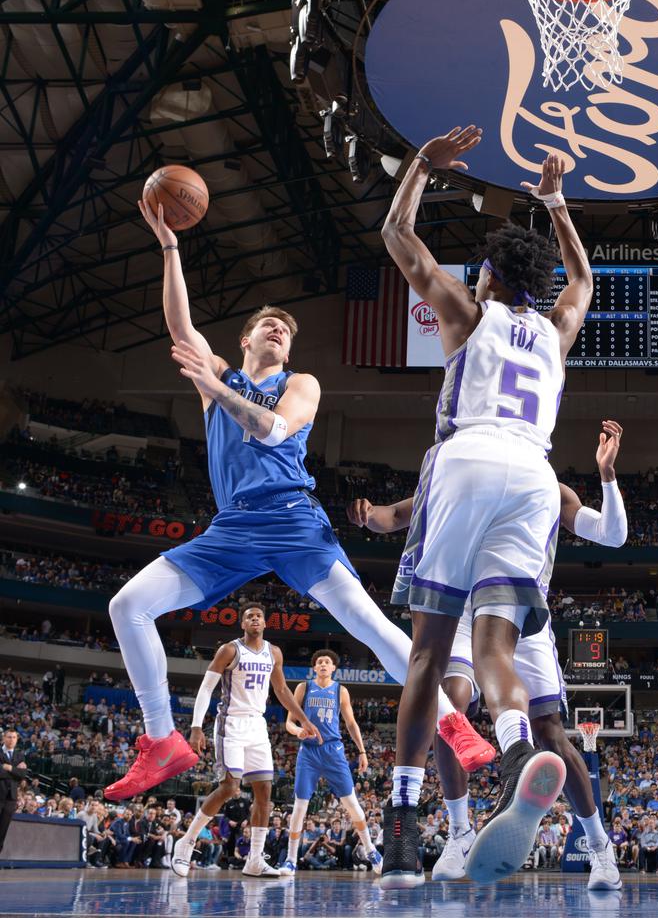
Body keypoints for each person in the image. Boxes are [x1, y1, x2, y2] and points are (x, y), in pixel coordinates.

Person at [103, 200, 492, 801]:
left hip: (293, 522)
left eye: (286, 329)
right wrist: (170, 246)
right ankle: (161, 742)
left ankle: (455, 725)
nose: (280, 331)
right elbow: (182, 330)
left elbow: (274, 431)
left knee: (368, 624)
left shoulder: (298, 384)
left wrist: (213, 389)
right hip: (233, 528)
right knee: (127, 606)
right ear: (245, 339)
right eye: (269, 325)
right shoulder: (220, 381)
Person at [379, 127, 593, 887]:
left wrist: (420, 168)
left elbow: (396, 234)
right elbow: (584, 282)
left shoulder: (469, 317)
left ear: (491, 277)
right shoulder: (556, 334)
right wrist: (557, 202)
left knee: (431, 656)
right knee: (497, 647)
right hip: (535, 478)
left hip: (468, 461)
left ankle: (402, 833)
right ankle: (513, 752)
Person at [347, 420, 626, 891]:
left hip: (518, 607)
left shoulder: (541, 484)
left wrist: (607, 476)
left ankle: (599, 847)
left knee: (552, 735)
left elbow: (611, 534)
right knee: (449, 702)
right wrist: (366, 513)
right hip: (459, 613)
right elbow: (394, 517)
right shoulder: (453, 481)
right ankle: (460, 832)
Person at [171, 604, 320, 879]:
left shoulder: (273, 652)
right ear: (243, 624)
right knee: (230, 788)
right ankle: (186, 843)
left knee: (265, 793)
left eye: (259, 616)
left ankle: (254, 860)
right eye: (249, 616)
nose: (255, 619)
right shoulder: (230, 650)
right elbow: (206, 688)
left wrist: (303, 720)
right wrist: (195, 727)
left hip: (257, 725)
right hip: (231, 723)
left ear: (265, 623)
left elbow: (282, 689)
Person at [279, 649, 382, 877]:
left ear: (333, 668)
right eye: (319, 662)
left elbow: (351, 723)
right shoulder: (303, 688)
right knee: (299, 807)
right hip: (309, 752)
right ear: (314, 667)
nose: (323, 664)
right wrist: (298, 732)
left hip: (333, 751)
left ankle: (371, 850)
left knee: (351, 803)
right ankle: (290, 859)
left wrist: (362, 751)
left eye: (327, 662)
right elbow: (289, 723)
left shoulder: (340, 690)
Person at [0, 730, 28, 858]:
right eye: (9, 737)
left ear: (17, 740)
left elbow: (22, 775)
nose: (11, 739)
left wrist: (9, 768)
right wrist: (15, 771)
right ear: (3, 738)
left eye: (14, 737)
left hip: (11, 798)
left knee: (3, 830)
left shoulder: (20, 755)